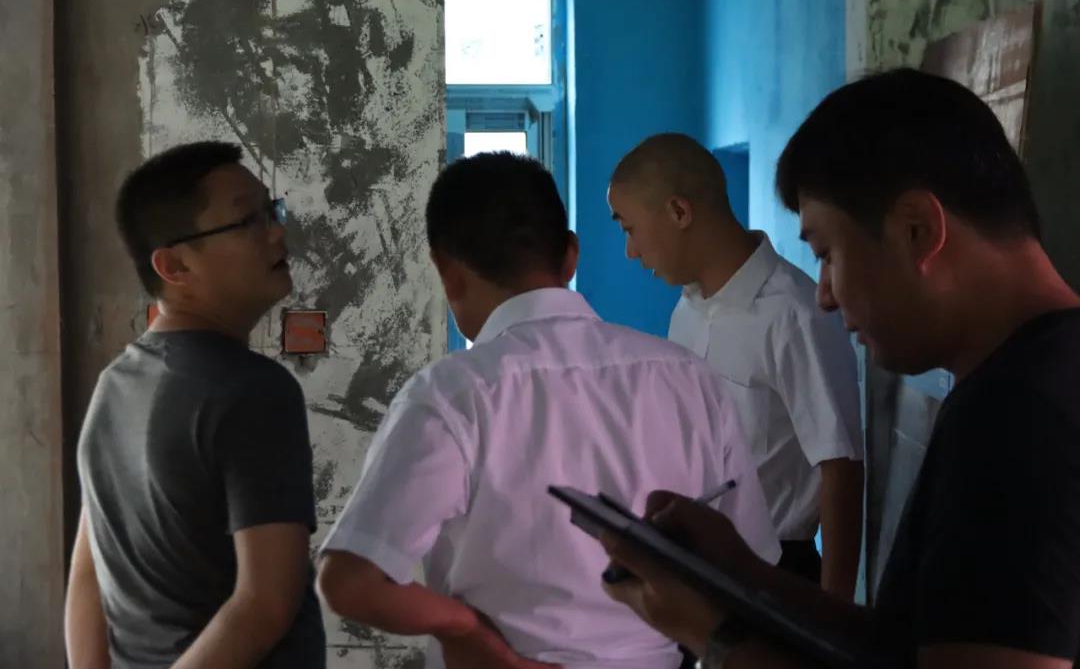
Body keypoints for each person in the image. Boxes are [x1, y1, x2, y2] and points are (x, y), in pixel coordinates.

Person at [600, 68, 1080, 668]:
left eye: (827, 253)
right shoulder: (1020, 382)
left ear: (917, 230)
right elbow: (903, 646)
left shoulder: (1020, 416)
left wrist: (712, 634)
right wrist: (741, 570)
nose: (825, 294)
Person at [316, 152, 780, 669]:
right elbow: (753, 565)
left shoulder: (451, 394)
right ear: (570, 256)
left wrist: (464, 628)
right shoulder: (689, 378)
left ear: (447, 272)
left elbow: (349, 581)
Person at [64, 142, 326, 669]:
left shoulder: (115, 385)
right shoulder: (254, 391)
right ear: (175, 264)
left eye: (271, 210)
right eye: (248, 221)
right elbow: (263, 606)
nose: (277, 232)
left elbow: (87, 580)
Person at [607, 134, 864, 596]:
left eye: (630, 229)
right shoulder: (686, 310)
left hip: (775, 571)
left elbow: (841, 468)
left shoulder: (795, 313)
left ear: (679, 212)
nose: (631, 251)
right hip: (697, 561)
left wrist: (833, 618)